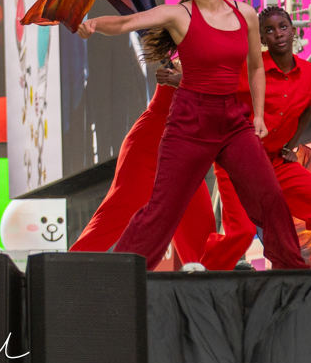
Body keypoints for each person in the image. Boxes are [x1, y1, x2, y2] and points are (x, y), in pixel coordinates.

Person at [74, 0, 307, 270]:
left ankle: (293, 269)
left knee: (269, 196)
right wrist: (96, 24)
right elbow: (129, 22)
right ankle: (121, 276)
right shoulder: (178, 14)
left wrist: (256, 115)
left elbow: (256, 66)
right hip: (190, 119)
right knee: (163, 210)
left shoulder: (246, 14)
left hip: (233, 120)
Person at [202, 6, 311, 270]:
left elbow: (310, 106)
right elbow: (212, 86)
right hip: (238, 164)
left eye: (283, 27)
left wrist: (291, 145)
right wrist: (181, 78)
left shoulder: (310, 74)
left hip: (275, 162)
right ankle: (201, 277)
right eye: (269, 31)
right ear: (261, 39)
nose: (278, 34)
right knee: (242, 232)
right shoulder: (250, 70)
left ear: (294, 31)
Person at [70, 61, 217, 265]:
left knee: (201, 240)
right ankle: (61, 276)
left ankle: (208, 293)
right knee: (115, 217)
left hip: (185, 153)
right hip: (151, 144)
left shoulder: (237, 50)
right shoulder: (183, 37)